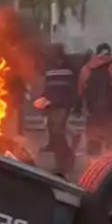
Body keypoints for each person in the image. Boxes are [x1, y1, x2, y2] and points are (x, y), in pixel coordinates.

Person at [33, 43, 78, 176]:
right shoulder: (54, 71)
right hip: (54, 105)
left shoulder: (65, 70)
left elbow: (65, 89)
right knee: (56, 133)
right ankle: (64, 160)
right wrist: (43, 99)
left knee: (57, 133)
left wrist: (46, 99)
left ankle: (65, 161)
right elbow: (50, 88)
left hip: (61, 106)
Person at [79, 43, 112, 156]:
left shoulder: (86, 68)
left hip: (92, 113)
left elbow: (81, 90)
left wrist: (85, 108)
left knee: (93, 145)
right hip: (111, 112)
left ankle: (93, 169)